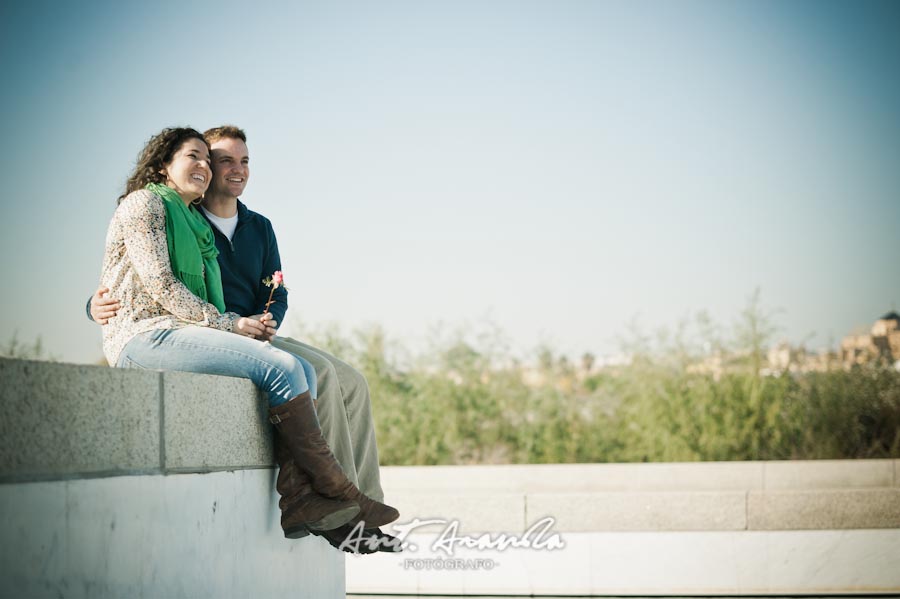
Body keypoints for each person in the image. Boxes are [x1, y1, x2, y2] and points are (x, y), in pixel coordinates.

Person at [91, 125, 398, 553]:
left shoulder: (258, 226)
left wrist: (270, 318)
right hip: (210, 329)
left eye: (244, 161)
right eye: (222, 160)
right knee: (318, 373)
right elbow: (139, 278)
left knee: (353, 381)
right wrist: (92, 304)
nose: (235, 170)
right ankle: (337, 504)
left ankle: (363, 504)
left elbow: (277, 288)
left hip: (247, 330)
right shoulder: (181, 213)